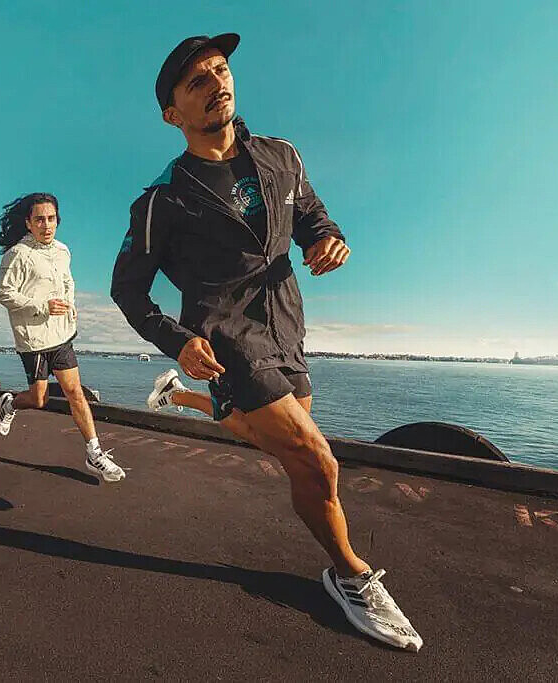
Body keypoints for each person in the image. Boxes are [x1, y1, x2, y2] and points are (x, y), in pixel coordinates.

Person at [111, 34, 422, 650]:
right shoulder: (161, 200)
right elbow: (128, 291)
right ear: (172, 114)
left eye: (220, 71)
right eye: (197, 81)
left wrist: (327, 238)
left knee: (282, 447)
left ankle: (188, 400)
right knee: (316, 458)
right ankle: (350, 575)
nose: (216, 84)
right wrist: (177, 341)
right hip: (226, 336)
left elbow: (311, 213)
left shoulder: (281, 156)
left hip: (286, 323)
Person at [0, 193, 125, 483]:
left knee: (74, 391)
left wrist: (70, 304)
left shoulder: (63, 251)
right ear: (28, 223)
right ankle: (10, 404)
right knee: (39, 399)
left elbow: (67, 281)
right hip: (33, 338)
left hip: (61, 335)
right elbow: (5, 294)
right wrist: (43, 306)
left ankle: (94, 453)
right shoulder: (17, 254)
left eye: (51, 219)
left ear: (57, 221)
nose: (46, 225)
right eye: (39, 219)